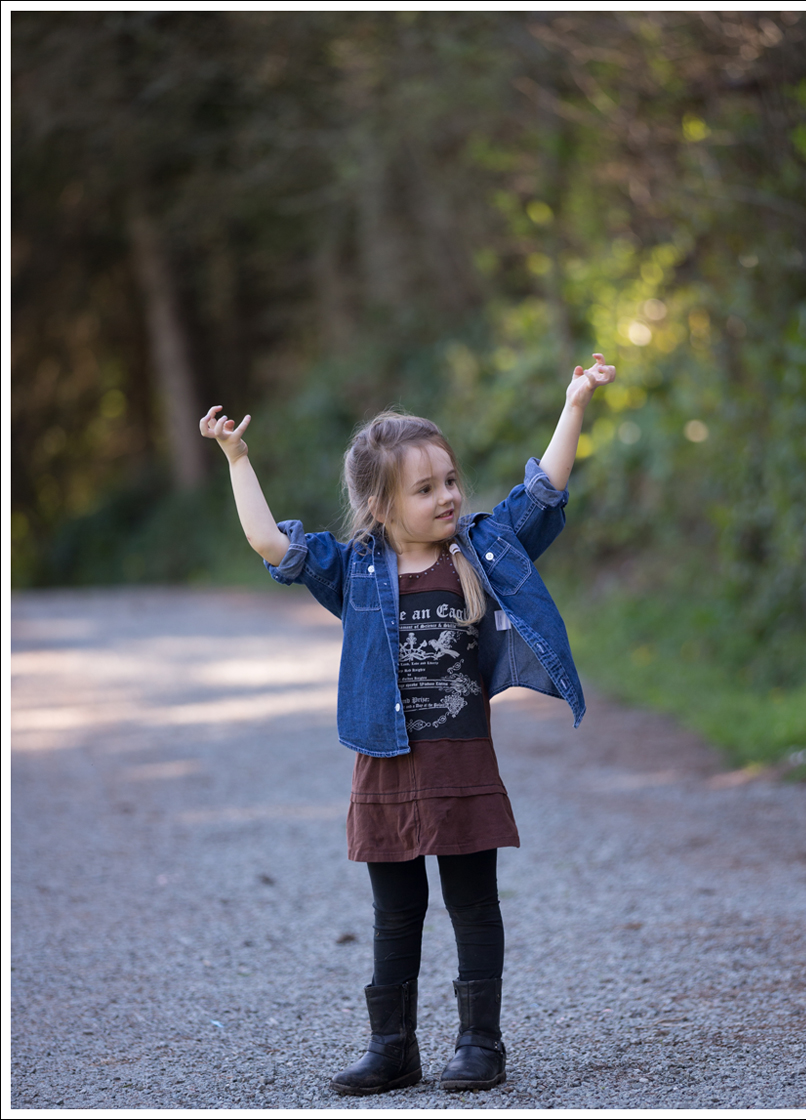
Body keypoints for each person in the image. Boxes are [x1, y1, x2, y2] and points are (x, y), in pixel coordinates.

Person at [199, 352, 616, 1096]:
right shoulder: (354, 568)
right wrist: (237, 457)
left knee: (473, 902)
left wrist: (575, 403)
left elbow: (545, 488)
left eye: (450, 480)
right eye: (426, 489)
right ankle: (392, 1048)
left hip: (461, 765)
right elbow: (271, 545)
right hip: (386, 765)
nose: (448, 495)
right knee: (396, 914)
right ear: (381, 508)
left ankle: (480, 1044)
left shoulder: (482, 549)